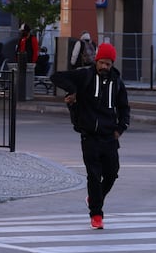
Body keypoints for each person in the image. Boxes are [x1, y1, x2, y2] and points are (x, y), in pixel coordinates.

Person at [50, 42, 131, 230]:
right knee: (93, 175)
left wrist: (121, 128)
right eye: (102, 63)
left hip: (110, 136)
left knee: (112, 173)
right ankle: (96, 215)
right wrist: (74, 91)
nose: (104, 67)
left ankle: (95, 198)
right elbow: (56, 77)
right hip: (89, 135)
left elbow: (124, 107)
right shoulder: (85, 75)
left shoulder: (117, 82)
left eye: (108, 64)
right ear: (96, 60)